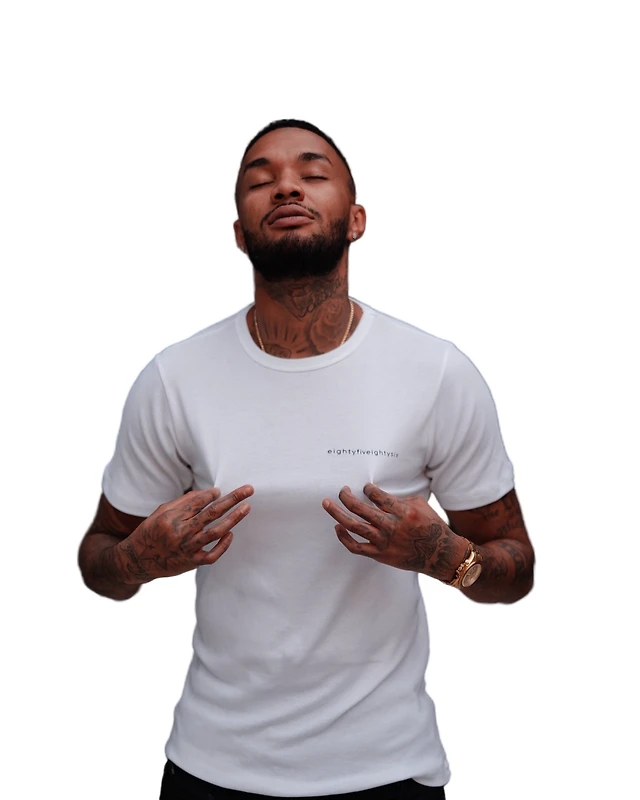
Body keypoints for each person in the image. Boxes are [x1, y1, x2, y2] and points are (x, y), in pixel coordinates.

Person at [78, 119, 535, 800]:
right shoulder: (175, 378)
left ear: (356, 220)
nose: (286, 186)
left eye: (312, 173)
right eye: (260, 180)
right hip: (212, 767)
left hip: (387, 770)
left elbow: (515, 567)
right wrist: (136, 562)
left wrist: (448, 557)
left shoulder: (435, 372)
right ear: (240, 233)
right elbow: (99, 559)